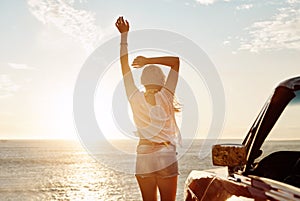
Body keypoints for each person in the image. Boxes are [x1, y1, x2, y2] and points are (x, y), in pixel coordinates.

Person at [115, 16, 181, 201]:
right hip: (166, 154)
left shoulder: (134, 96)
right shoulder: (167, 95)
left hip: (143, 154)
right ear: (162, 80)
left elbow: (123, 66)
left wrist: (124, 36)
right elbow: (176, 61)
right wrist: (148, 60)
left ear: (142, 81)